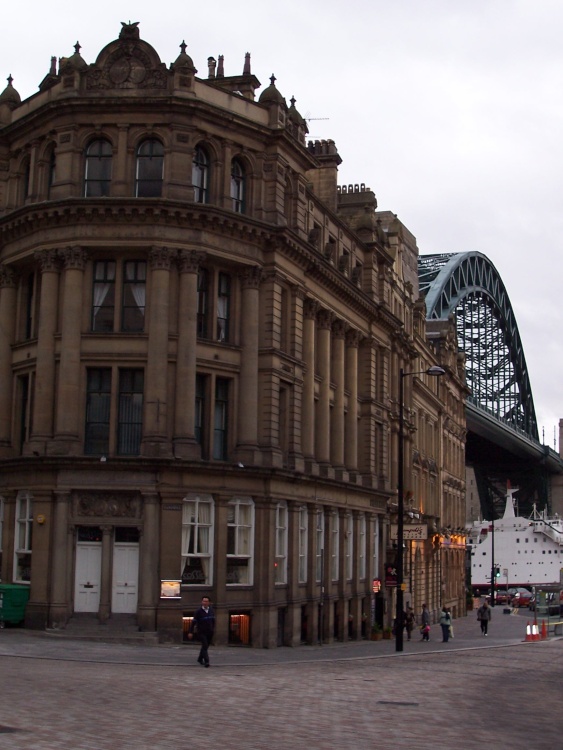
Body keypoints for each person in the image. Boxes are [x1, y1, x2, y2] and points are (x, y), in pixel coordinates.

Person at [188, 596, 216, 667]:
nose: (205, 603)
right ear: (202, 602)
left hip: (209, 632)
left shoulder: (211, 610)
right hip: (201, 631)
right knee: (205, 645)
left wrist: (213, 629)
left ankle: (200, 658)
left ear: (209, 603)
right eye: (204, 601)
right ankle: (207, 661)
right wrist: (190, 632)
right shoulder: (198, 611)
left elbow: (213, 621)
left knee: (205, 646)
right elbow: (193, 622)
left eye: (206, 601)